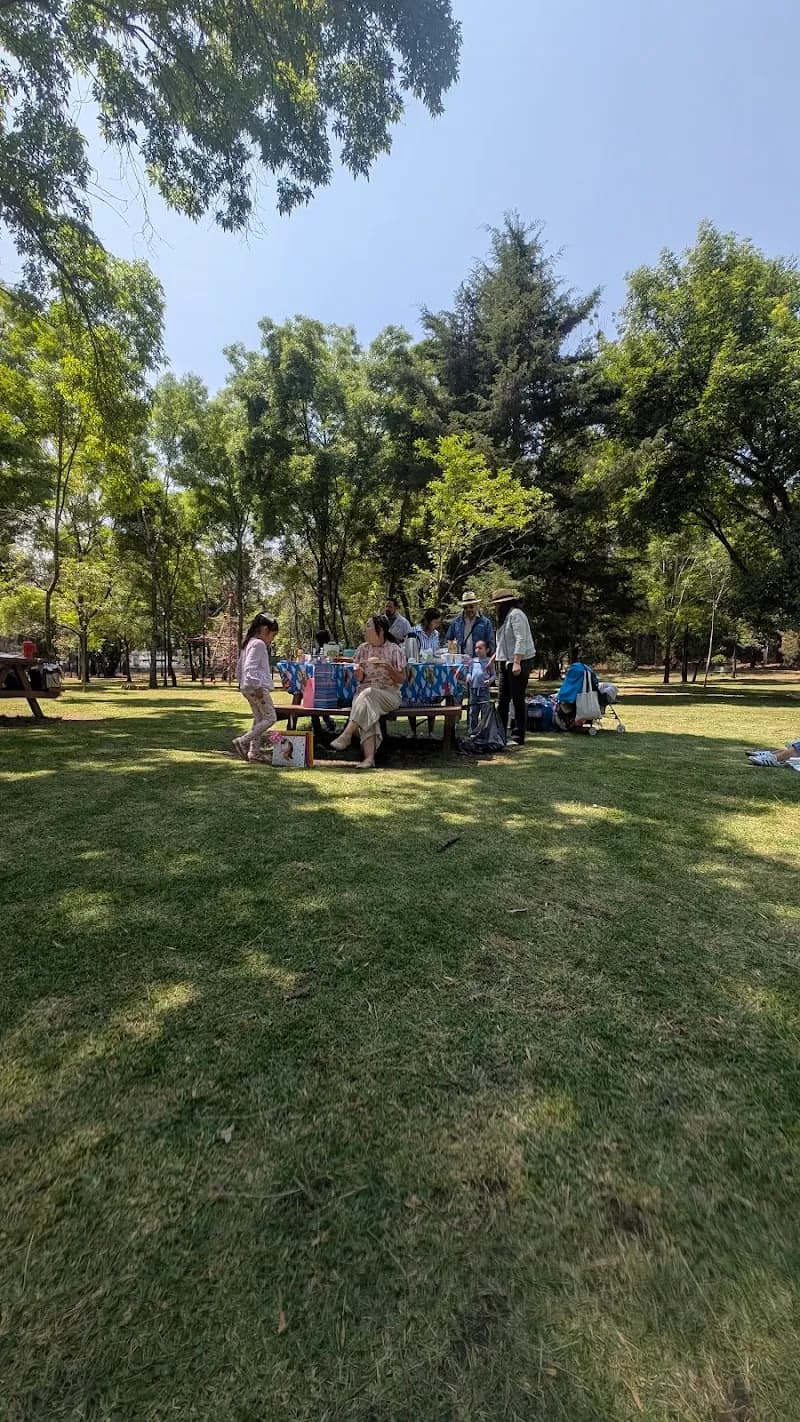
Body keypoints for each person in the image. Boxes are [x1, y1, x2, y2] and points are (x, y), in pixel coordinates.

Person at [330, 615, 406, 768]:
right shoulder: (363, 649)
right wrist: (358, 671)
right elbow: (360, 679)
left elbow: (401, 679)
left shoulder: (394, 650)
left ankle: (347, 734)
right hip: (365, 693)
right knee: (367, 705)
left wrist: (387, 666)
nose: (365, 629)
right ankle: (369, 759)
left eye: (369, 626)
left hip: (389, 694)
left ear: (381, 630)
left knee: (368, 695)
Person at [490, 588, 536, 746]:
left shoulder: (516, 615)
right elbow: (503, 642)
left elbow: (520, 639)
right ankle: (500, 733)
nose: (496, 608)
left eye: (497, 604)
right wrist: (494, 657)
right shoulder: (505, 618)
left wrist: (517, 662)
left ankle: (518, 736)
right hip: (505, 660)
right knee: (502, 699)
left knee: (517, 699)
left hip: (519, 661)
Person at [232, 614, 279, 763]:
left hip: (247, 687)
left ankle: (254, 752)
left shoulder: (248, 643)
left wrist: (243, 683)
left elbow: (239, 668)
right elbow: (249, 667)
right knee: (271, 717)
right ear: (265, 629)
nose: (272, 639)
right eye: (273, 634)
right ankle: (243, 740)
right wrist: (257, 686)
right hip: (256, 687)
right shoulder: (258, 644)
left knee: (259, 718)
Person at [445, 591, 496, 656]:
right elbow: (449, 639)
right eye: (465, 607)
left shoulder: (485, 622)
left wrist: (488, 658)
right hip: (461, 660)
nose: (468, 609)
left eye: (471, 607)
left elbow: (491, 643)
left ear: (476, 606)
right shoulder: (456, 622)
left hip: (479, 660)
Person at [468, 638, 494, 733]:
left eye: (480, 648)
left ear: (487, 650)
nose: (477, 650)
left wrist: (490, 680)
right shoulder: (473, 661)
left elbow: (494, 675)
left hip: (484, 690)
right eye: (476, 648)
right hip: (473, 689)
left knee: (485, 711)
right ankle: (472, 731)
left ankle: (484, 731)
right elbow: (469, 672)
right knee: (473, 711)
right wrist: (468, 676)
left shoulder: (489, 661)